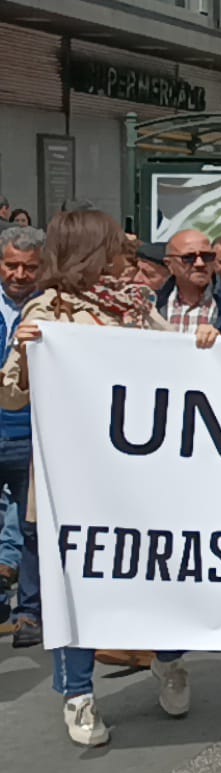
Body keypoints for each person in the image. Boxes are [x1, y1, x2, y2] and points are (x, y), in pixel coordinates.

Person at [1, 210, 190, 746]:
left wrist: (198, 346)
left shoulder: (137, 307)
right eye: (113, 245)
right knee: (75, 586)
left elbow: (177, 368)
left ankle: (170, 658)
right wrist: (25, 352)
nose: (123, 255)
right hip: (73, 479)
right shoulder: (46, 311)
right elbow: (13, 396)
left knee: (158, 571)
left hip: (141, 475)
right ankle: (78, 694)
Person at [0, 226, 43, 651]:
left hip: (33, 433)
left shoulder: (50, 308)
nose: (19, 274)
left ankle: (28, 612)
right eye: (11, 265)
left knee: (32, 529)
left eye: (29, 267)